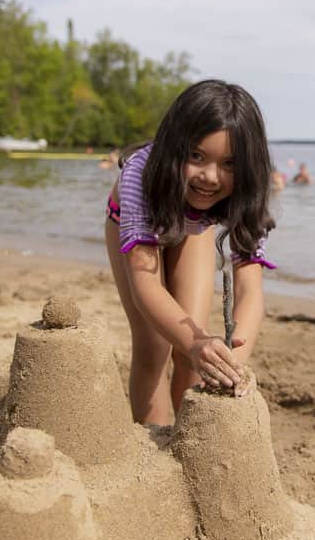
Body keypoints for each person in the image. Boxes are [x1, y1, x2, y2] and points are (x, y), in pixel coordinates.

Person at [104, 79, 277, 425]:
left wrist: (232, 364)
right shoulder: (141, 172)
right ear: (174, 145)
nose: (210, 177)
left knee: (193, 345)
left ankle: (187, 439)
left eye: (229, 164)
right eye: (196, 156)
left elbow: (249, 287)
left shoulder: (250, 188)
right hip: (141, 225)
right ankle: (151, 439)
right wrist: (196, 344)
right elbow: (146, 286)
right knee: (154, 345)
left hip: (193, 225)